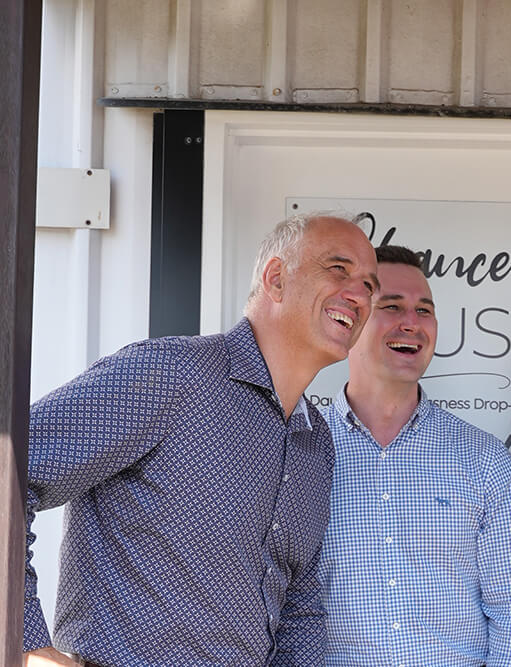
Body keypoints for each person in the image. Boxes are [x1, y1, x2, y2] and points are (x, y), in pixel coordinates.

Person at [23, 212, 378, 666]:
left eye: (369, 285)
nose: (359, 294)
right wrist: (28, 644)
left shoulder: (316, 443)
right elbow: (10, 472)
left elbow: (298, 607)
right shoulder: (171, 375)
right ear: (276, 278)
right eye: (338, 269)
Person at [319, 245, 511, 666]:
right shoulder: (302, 448)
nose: (411, 323)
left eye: (424, 310)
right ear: (352, 318)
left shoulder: (483, 459)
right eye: (392, 306)